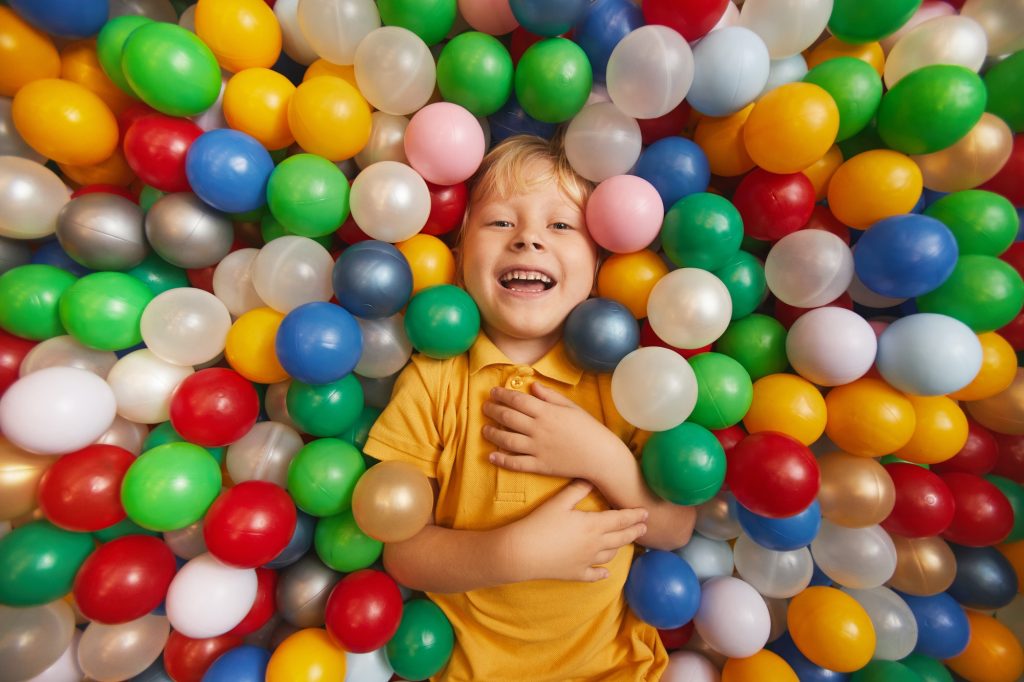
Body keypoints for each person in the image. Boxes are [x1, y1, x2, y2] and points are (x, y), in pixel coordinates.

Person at [363, 133, 696, 681]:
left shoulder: (625, 383)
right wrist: (512, 554)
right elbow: (403, 551)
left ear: (599, 265)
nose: (528, 241)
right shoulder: (434, 380)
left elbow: (674, 528)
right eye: (499, 223)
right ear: (458, 254)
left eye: (561, 226)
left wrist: (600, 456)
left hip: (610, 670)